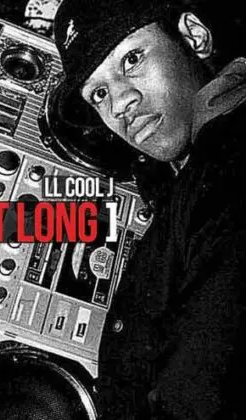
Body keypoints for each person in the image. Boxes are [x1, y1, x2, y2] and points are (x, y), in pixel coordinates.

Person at [53, 0, 246, 419]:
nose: (118, 104)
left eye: (132, 59)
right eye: (99, 93)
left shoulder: (230, 169)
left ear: (194, 36)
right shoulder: (188, 180)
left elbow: (196, 397)